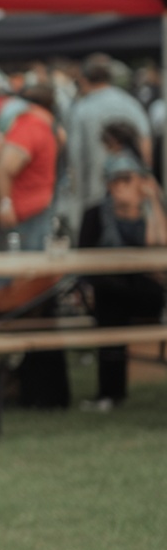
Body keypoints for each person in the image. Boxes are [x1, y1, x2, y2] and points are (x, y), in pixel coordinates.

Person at [77, 152, 167, 409]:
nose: (120, 186)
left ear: (142, 181)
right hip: (110, 290)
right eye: (115, 180)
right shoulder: (96, 214)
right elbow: (83, 259)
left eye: (128, 179)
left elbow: (158, 247)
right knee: (109, 297)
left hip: (144, 293)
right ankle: (110, 393)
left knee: (115, 299)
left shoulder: (152, 212)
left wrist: (152, 204)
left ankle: (110, 394)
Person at [67, 54, 151, 237]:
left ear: (84, 80)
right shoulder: (130, 103)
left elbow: (74, 158)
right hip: (132, 199)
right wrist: (140, 181)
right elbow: (146, 145)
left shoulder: (82, 109)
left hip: (93, 195)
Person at [0, 81, 62, 249]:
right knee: (27, 269)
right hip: (26, 211)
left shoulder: (43, 125)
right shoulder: (31, 126)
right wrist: (5, 204)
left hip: (36, 207)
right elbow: (4, 168)